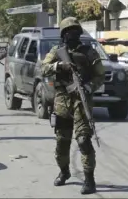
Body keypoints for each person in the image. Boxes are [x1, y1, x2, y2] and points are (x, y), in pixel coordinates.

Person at [41, 17, 105, 195]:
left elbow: (100, 75)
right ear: (63, 34)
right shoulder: (57, 51)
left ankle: (89, 179)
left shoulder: (89, 52)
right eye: (68, 31)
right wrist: (59, 65)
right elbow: (43, 68)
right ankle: (64, 171)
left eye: (75, 31)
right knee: (62, 141)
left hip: (81, 100)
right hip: (62, 100)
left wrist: (89, 86)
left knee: (84, 140)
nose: (72, 34)